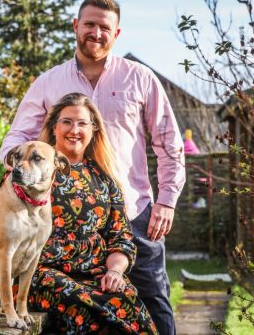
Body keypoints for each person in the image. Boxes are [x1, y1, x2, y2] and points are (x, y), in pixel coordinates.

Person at [0, 0, 185, 334]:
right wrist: (16, 186)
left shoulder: (140, 79)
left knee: (154, 300)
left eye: (104, 27)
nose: (96, 33)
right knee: (68, 313)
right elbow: (14, 142)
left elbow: (169, 144)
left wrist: (167, 200)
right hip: (62, 219)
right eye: (89, 24)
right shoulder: (48, 82)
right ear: (76, 26)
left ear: (116, 34)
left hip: (135, 211)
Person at [29, 92, 156, 333]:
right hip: (41, 273)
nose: (73, 129)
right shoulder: (32, 168)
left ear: (93, 129)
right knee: (88, 308)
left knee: (129, 304)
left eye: (82, 123)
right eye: (66, 121)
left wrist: (115, 272)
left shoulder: (105, 178)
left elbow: (120, 237)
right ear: (54, 127)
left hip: (96, 274)